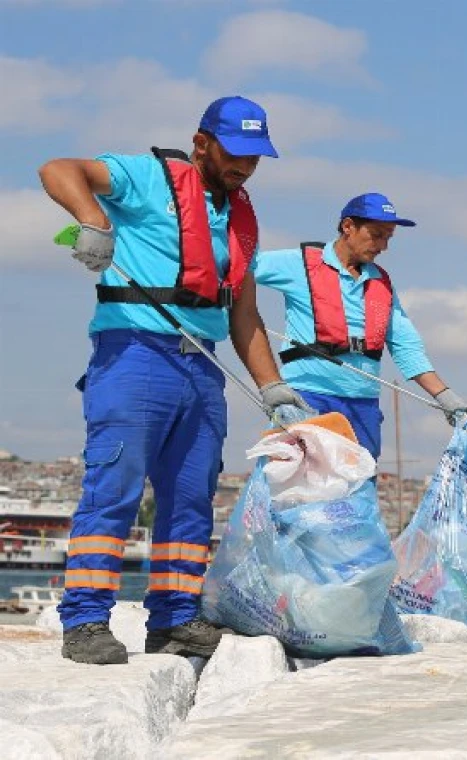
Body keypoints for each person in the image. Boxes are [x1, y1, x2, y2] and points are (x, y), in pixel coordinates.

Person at [38, 96, 311, 664]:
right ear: (202, 142)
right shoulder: (148, 176)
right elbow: (57, 170)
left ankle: (174, 619)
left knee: (192, 497)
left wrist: (273, 391)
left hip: (202, 366)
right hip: (135, 353)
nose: (244, 167)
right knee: (113, 490)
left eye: (256, 158)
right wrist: (93, 222)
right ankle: (86, 621)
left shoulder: (240, 219)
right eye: (235, 153)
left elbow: (244, 314)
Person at [253, 192, 467, 460]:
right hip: (307, 398)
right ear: (348, 227)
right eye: (376, 235)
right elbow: (236, 268)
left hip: (363, 405)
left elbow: (406, 346)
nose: (383, 246)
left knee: (357, 493)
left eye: (388, 237)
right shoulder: (299, 264)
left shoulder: (381, 283)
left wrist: (445, 396)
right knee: (298, 493)